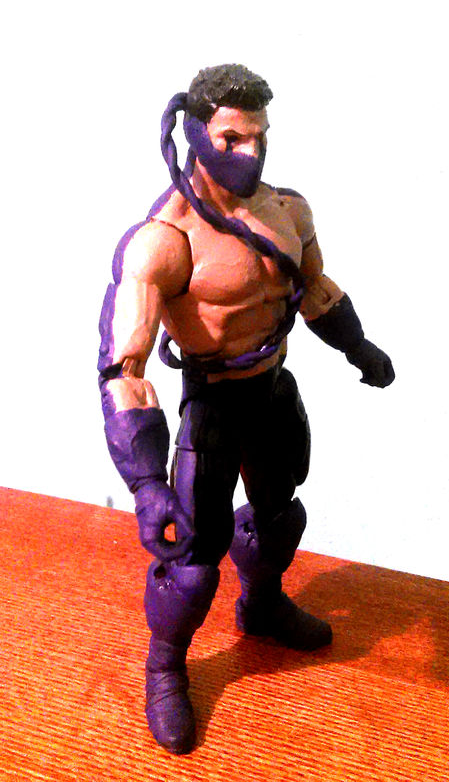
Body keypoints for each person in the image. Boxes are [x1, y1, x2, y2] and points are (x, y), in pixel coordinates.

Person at [98, 64, 394, 755]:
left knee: (279, 514)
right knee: (190, 561)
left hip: (272, 391)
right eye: (232, 139)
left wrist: (358, 346)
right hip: (212, 408)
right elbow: (123, 369)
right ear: (195, 135)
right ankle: (164, 666)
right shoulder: (163, 241)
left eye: (259, 136)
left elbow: (313, 288)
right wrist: (144, 484)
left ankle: (260, 605)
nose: (250, 152)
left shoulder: (288, 211)